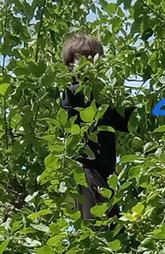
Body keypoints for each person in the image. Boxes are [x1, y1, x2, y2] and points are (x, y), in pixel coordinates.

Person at [60, 34, 134, 220]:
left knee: (112, 225)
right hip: (88, 172)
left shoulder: (103, 97)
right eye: (85, 59)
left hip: (105, 173)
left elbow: (131, 120)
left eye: (95, 59)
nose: (91, 64)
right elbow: (100, 102)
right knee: (100, 227)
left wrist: (163, 111)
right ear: (70, 64)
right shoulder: (73, 93)